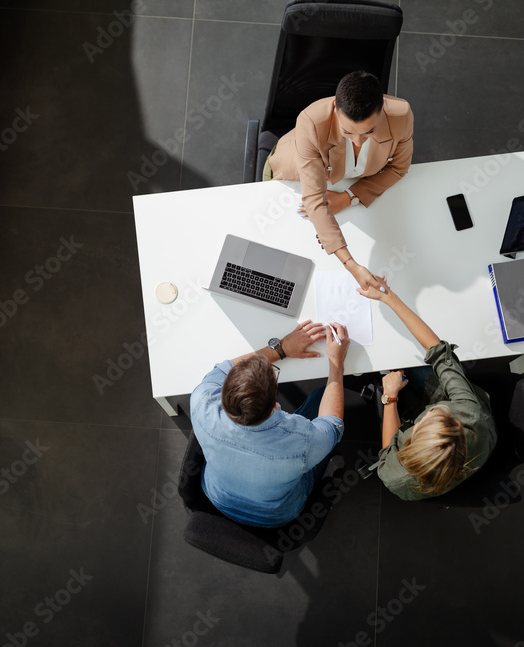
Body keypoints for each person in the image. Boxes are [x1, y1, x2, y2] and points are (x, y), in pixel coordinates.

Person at [190, 320, 350, 527]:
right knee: (321, 397)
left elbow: (225, 368)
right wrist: (337, 364)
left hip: (217, 496)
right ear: (275, 404)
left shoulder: (202, 399)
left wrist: (282, 348)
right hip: (276, 515)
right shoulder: (301, 442)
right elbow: (333, 425)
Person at [265, 70, 414, 291]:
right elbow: (315, 199)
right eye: (348, 132)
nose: (358, 141)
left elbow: (399, 168)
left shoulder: (401, 115)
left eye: (369, 132)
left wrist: (349, 197)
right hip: (296, 177)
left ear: (382, 109)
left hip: (349, 181)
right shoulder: (310, 122)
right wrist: (351, 265)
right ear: (335, 108)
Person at [356, 277, 497, 500]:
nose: (434, 410)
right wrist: (388, 297)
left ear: (410, 441)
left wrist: (389, 397)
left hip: (409, 414)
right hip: (472, 422)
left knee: (390, 358)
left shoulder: (394, 477)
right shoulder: (468, 415)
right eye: (445, 414)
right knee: (409, 358)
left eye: (428, 417)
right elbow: (439, 353)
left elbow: (387, 454)